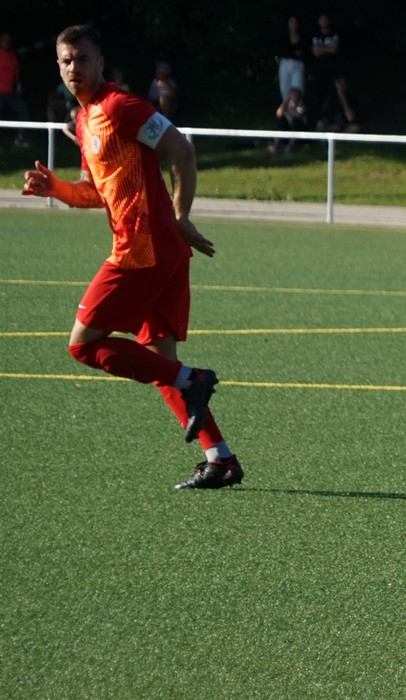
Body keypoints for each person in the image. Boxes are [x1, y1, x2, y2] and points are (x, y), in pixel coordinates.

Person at [21, 24, 243, 491]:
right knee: (160, 362)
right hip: (161, 252)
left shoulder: (120, 106)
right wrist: (56, 189)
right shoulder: (85, 120)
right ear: (58, 67)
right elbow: (95, 192)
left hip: (144, 249)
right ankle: (220, 460)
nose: (74, 68)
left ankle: (195, 380)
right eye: (66, 61)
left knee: (83, 345)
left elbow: (181, 149)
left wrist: (181, 215)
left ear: (100, 63)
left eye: (83, 58)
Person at [0, 32, 30, 148]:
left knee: (23, 110)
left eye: (9, 41)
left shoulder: (12, 55)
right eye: (5, 40)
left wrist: (18, 85)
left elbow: (15, 71)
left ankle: (20, 138)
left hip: (10, 92)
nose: (7, 43)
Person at [311, 13, 341, 128]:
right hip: (319, 71)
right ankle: (320, 121)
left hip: (332, 70)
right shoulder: (316, 35)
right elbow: (315, 52)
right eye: (321, 19)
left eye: (325, 19)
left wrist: (322, 50)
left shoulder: (334, 34)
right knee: (320, 96)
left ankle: (333, 121)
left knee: (333, 95)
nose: (323, 22)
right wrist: (328, 49)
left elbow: (334, 50)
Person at [276, 15, 307, 102]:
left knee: (298, 89)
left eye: (295, 22)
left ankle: (298, 109)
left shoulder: (302, 37)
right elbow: (281, 51)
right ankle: (287, 109)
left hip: (298, 64)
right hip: (285, 63)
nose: (293, 24)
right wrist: (293, 52)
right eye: (291, 22)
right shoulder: (284, 36)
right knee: (285, 89)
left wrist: (292, 52)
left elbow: (304, 52)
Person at [271, 86, 307, 155]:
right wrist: (286, 102)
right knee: (281, 121)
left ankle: (290, 146)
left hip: (298, 135)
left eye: (295, 96)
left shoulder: (301, 107)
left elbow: (300, 115)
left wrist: (294, 109)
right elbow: (278, 114)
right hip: (287, 133)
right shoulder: (285, 107)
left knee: (296, 121)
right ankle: (276, 146)